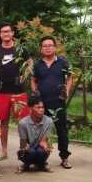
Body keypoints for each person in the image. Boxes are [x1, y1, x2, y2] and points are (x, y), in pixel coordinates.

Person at [0, 23, 32, 159]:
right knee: (2, 122)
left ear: (13, 33)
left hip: (18, 90)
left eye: (8, 31)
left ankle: (24, 149)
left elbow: (30, 63)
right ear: (0, 34)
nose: (6, 34)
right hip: (1, 92)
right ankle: (4, 151)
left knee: (23, 122)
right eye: (3, 32)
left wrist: (24, 76)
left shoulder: (21, 49)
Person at [31, 36, 74, 169]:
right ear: (41, 48)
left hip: (58, 103)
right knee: (41, 131)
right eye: (45, 46)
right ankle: (40, 158)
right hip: (42, 104)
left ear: (55, 47)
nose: (48, 48)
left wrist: (66, 91)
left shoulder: (63, 63)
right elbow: (33, 80)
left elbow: (70, 78)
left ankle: (64, 157)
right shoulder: (37, 65)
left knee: (62, 130)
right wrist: (36, 94)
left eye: (50, 45)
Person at [16, 95, 54, 173]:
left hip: (40, 148)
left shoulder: (49, 121)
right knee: (32, 151)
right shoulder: (22, 123)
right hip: (28, 150)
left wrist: (46, 145)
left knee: (41, 151)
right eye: (38, 107)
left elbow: (44, 141)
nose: (41, 110)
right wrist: (24, 146)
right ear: (30, 109)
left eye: (42, 107)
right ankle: (26, 165)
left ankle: (41, 164)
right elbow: (23, 143)